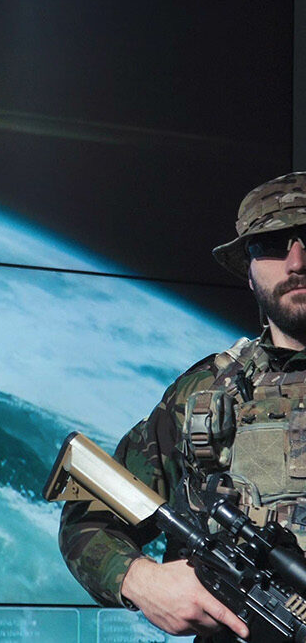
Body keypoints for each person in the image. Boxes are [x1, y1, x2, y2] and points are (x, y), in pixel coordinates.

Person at [59, 172, 306, 642]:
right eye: (272, 243)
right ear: (249, 269)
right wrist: (141, 580)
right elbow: (87, 516)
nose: (297, 260)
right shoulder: (205, 394)